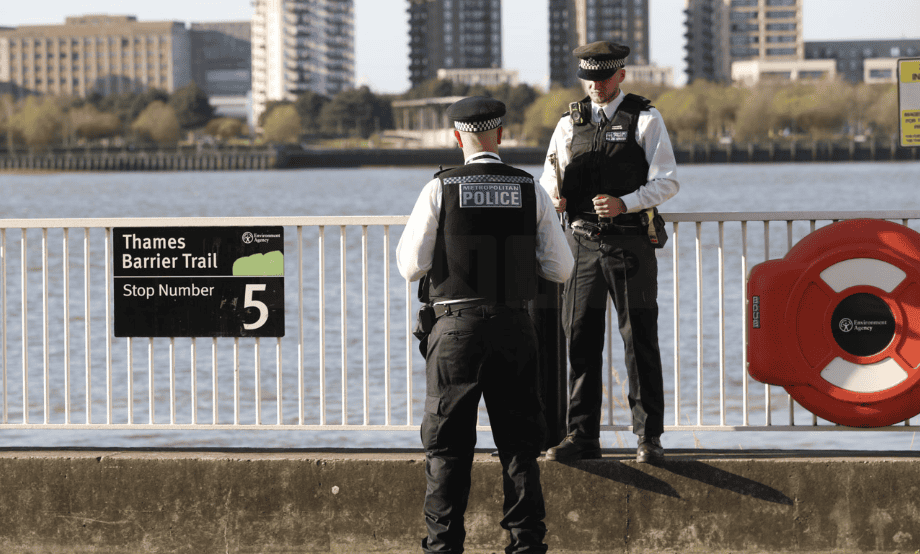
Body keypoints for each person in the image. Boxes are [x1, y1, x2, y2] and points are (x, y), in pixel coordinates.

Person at [397, 96, 573, 554]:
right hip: (515, 326)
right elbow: (562, 268)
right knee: (519, 447)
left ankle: (443, 547)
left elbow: (410, 265)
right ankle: (526, 544)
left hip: (455, 329)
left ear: (457, 137)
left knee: (447, 448)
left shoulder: (440, 187)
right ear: (501, 135)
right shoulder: (528, 187)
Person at [539, 41, 679, 464]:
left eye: (603, 78)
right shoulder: (568, 123)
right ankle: (582, 435)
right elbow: (547, 178)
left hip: (630, 242)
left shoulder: (646, 118)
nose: (596, 85)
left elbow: (668, 181)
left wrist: (627, 202)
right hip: (580, 244)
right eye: (589, 78)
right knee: (579, 339)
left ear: (620, 75)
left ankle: (648, 438)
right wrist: (554, 199)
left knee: (639, 340)